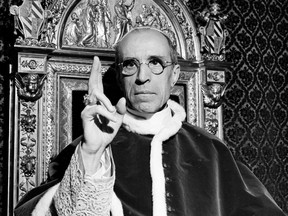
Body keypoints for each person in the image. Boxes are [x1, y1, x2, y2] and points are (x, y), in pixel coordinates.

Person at [14, 27, 286, 216]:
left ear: (174, 74)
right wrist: (91, 154)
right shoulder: (86, 149)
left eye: (155, 62)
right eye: (131, 64)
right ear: (120, 76)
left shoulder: (211, 150)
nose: (143, 76)